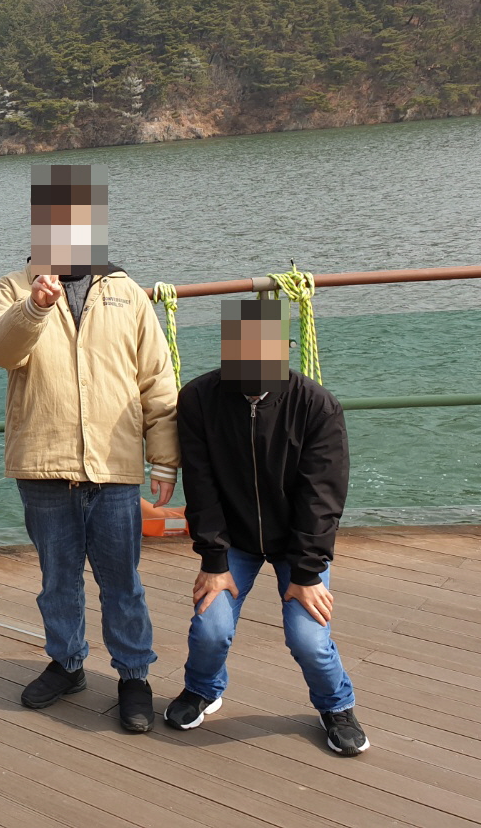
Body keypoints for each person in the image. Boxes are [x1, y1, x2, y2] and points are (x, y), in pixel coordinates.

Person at [0, 165, 179, 733]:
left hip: (115, 466)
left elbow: (157, 381)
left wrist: (165, 459)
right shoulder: (13, 288)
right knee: (57, 580)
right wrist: (35, 308)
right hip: (43, 464)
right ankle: (66, 663)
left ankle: (134, 675)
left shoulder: (127, 293)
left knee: (123, 583)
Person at [166, 297, 369, 756]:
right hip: (232, 542)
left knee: (308, 639)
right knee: (211, 626)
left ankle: (336, 705)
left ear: (284, 349)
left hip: (297, 546)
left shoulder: (317, 406)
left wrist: (307, 572)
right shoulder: (198, 398)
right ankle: (203, 688)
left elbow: (323, 498)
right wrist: (213, 560)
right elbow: (200, 485)